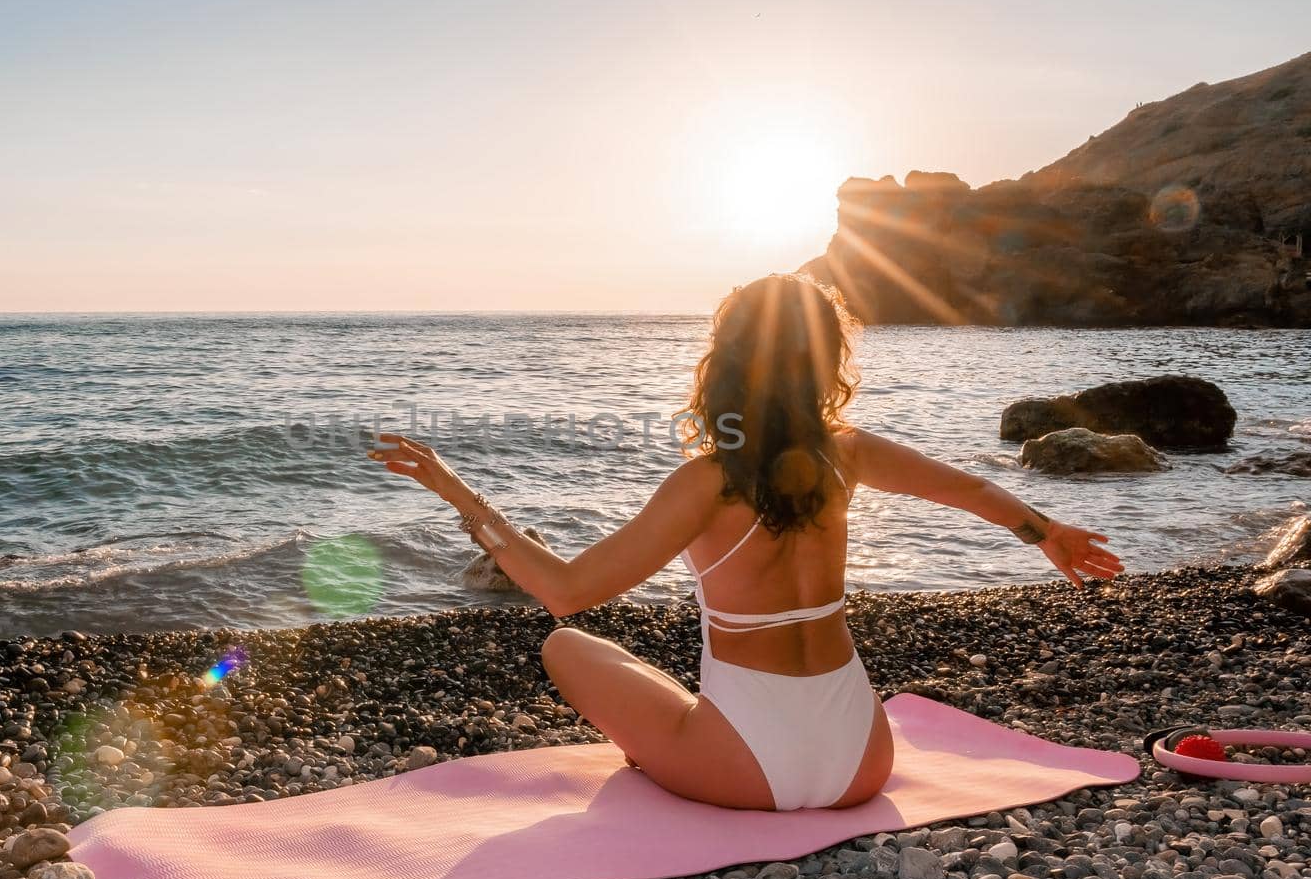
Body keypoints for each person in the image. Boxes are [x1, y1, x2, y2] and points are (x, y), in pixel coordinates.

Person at [366, 273, 1123, 812]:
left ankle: (670, 751)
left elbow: (566, 592)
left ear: (724, 363)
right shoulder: (847, 453)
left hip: (745, 771)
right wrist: (1045, 532)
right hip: (864, 760)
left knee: (567, 646)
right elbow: (965, 487)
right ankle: (683, 741)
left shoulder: (708, 481)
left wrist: (459, 493)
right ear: (826, 359)